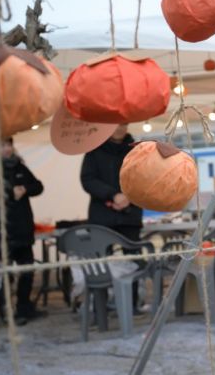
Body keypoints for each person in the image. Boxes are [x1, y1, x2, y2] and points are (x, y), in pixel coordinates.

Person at [80, 124, 143, 309]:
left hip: (130, 216)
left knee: (133, 259)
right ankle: (101, 305)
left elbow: (144, 176)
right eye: (115, 125)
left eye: (123, 124)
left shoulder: (136, 149)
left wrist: (128, 197)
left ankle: (132, 305)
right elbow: (88, 179)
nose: (120, 128)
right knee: (101, 261)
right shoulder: (94, 149)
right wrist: (112, 195)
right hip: (102, 216)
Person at [0, 138, 46, 325]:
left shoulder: (19, 167)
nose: (7, 149)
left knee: (28, 270)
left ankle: (25, 307)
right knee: (5, 275)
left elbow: (38, 186)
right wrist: (9, 194)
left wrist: (25, 188)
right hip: (2, 232)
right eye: (2, 145)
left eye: (9, 144)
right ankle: (7, 313)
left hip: (23, 228)